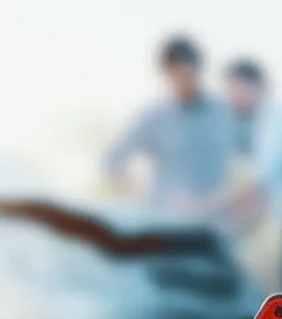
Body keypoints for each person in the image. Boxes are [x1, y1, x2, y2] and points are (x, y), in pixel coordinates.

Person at [199, 58, 282, 290]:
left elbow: (255, 187)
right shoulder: (267, 123)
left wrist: (202, 208)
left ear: (255, 86)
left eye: (233, 90)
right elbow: (263, 199)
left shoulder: (278, 123)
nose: (229, 100)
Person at [102, 35, 238, 216]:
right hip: (166, 222)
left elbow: (257, 160)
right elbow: (111, 160)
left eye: (186, 73)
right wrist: (138, 198)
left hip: (215, 221)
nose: (181, 81)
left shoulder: (226, 112)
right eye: (174, 74)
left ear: (198, 69)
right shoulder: (153, 116)